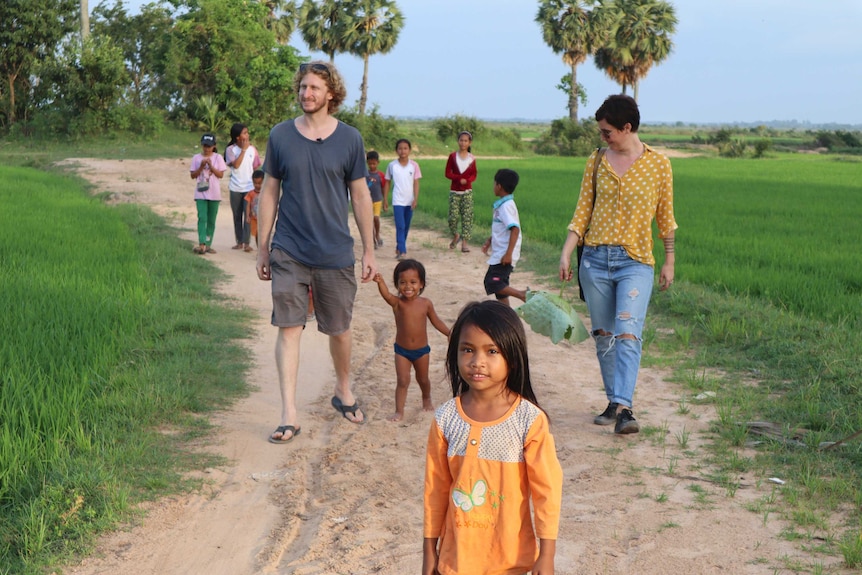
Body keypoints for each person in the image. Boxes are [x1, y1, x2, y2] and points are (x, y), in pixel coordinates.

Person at [256, 60, 378, 444]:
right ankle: (288, 414)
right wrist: (263, 247)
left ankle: (343, 389)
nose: (306, 94)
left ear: (331, 95)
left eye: (314, 88)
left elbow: (360, 195)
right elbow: (269, 191)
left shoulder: (350, 139)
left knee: (339, 329)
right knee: (288, 328)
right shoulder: (280, 136)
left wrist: (369, 251)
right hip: (289, 248)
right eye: (303, 87)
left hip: (335, 251)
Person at [559, 94, 677, 435]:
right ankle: (614, 401)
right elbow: (583, 210)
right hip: (594, 261)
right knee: (604, 335)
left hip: (636, 262)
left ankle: (625, 407)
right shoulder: (597, 161)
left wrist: (669, 260)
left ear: (627, 128)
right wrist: (567, 250)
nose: (603, 137)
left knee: (628, 333)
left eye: (608, 131)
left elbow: (665, 219)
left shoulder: (659, 165)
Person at [423, 300, 563, 575]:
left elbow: (547, 492)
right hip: (456, 561)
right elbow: (434, 491)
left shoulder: (529, 420)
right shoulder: (446, 418)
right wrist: (430, 553)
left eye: (492, 351)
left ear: (512, 355)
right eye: (468, 350)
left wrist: (547, 554)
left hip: (511, 561)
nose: (477, 362)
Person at [373, 259, 450, 422]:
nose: (408, 287)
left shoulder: (426, 304)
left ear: (421, 284)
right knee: (402, 380)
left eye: (413, 282)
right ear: (397, 284)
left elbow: (436, 321)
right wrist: (380, 281)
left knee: (423, 379)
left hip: (422, 351)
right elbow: (386, 294)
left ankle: (426, 398)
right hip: (402, 351)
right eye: (403, 282)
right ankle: (399, 411)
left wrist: (450, 333)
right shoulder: (397, 303)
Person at [481, 169, 527, 306]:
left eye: (494, 183)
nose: (493, 186)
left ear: (499, 186)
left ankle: (521, 294)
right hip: (500, 251)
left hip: (504, 254)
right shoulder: (503, 205)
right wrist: (490, 240)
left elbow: (515, 229)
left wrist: (508, 254)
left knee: (492, 281)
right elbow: (502, 229)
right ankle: (506, 314)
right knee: (500, 289)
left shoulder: (506, 206)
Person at [225, 123, 263, 252]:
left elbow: (255, 166)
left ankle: (247, 242)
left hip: (248, 187)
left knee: (248, 214)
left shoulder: (253, 150)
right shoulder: (231, 150)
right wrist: (243, 150)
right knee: (237, 215)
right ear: (237, 137)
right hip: (235, 188)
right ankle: (239, 241)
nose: (247, 135)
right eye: (244, 133)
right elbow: (235, 165)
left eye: (247, 132)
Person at [383, 138, 421, 260]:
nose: (402, 151)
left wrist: (415, 198)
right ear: (396, 150)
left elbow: (416, 183)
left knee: (406, 226)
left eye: (405, 148)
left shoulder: (414, 165)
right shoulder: (392, 165)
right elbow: (387, 182)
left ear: (409, 150)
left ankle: (399, 247)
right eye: (400, 148)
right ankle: (403, 251)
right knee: (400, 226)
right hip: (397, 200)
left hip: (409, 201)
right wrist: (385, 199)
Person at [189, 133, 226, 255]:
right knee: (202, 217)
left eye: (209, 146)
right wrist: (200, 167)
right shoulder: (196, 158)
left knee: (211, 220)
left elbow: (220, 175)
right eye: (204, 146)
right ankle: (202, 243)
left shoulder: (218, 158)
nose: (206, 149)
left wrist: (211, 166)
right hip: (201, 193)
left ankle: (208, 244)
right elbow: (193, 175)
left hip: (214, 194)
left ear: (214, 146)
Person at [444, 131, 477, 253]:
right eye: (461, 140)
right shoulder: (452, 157)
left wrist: (467, 180)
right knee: (452, 217)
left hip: (467, 192)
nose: (463, 143)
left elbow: (474, 174)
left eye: (466, 141)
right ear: (458, 141)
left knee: (467, 217)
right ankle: (455, 235)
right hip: (454, 192)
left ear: (469, 143)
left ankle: (465, 243)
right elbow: (447, 173)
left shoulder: (472, 159)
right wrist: (459, 178)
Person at [366, 150, 388, 249]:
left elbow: (383, 187)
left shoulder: (381, 175)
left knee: (376, 218)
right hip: (367, 201)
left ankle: (377, 234)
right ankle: (372, 239)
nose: (372, 166)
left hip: (377, 200)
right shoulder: (365, 175)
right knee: (369, 221)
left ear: (378, 163)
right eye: (370, 164)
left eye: (374, 163)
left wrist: (385, 200)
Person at [244, 169, 263, 249]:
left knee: (262, 235)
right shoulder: (251, 193)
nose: (257, 185)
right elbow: (248, 205)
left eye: (259, 183)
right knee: (257, 234)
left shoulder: (265, 193)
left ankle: (262, 249)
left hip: (263, 218)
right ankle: (259, 250)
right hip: (254, 218)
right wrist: (247, 216)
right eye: (255, 183)